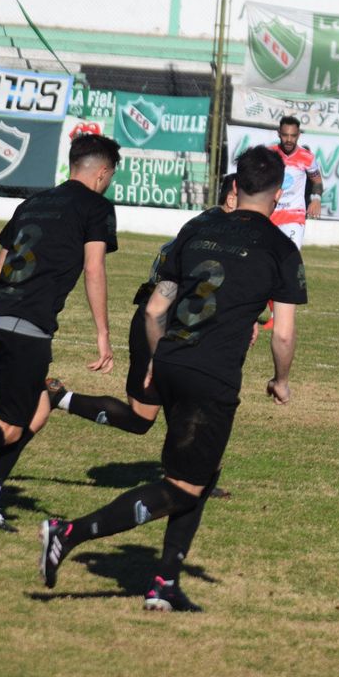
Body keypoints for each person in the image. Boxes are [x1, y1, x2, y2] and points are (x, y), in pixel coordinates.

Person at [39, 146, 307, 611]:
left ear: (236, 185)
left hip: (170, 359)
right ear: (279, 194)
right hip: (212, 375)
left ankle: (164, 584)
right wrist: (280, 380)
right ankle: (70, 532)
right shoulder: (281, 248)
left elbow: (156, 309)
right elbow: (282, 334)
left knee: (198, 476)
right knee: (182, 487)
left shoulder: (198, 228)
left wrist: (156, 359)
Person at [0, 134, 120, 530]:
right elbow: (94, 268)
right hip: (28, 329)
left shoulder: (33, 202)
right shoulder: (96, 207)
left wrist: (13, 308)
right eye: (109, 177)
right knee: (6, 426)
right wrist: (103, 334)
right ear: (102, 173)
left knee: (37, 408)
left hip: (0, 317)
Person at [43, 173, 240, 499]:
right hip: (160, 323)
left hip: (161, 319)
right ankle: (194, 479)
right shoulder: (214, 232)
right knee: (180, 405)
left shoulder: (205, 226)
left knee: (145, 417)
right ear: (232, 197)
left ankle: (59, 398)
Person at [269, 116, 322, 251]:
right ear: (279, 133)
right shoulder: (269, 154)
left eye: (293, 136)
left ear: (298, 135)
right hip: (269, 213)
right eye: (285, 135)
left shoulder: (307, 157)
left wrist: (316, 199)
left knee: (290, 255)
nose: (289, 139)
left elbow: (317, 181)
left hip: (294, 215)